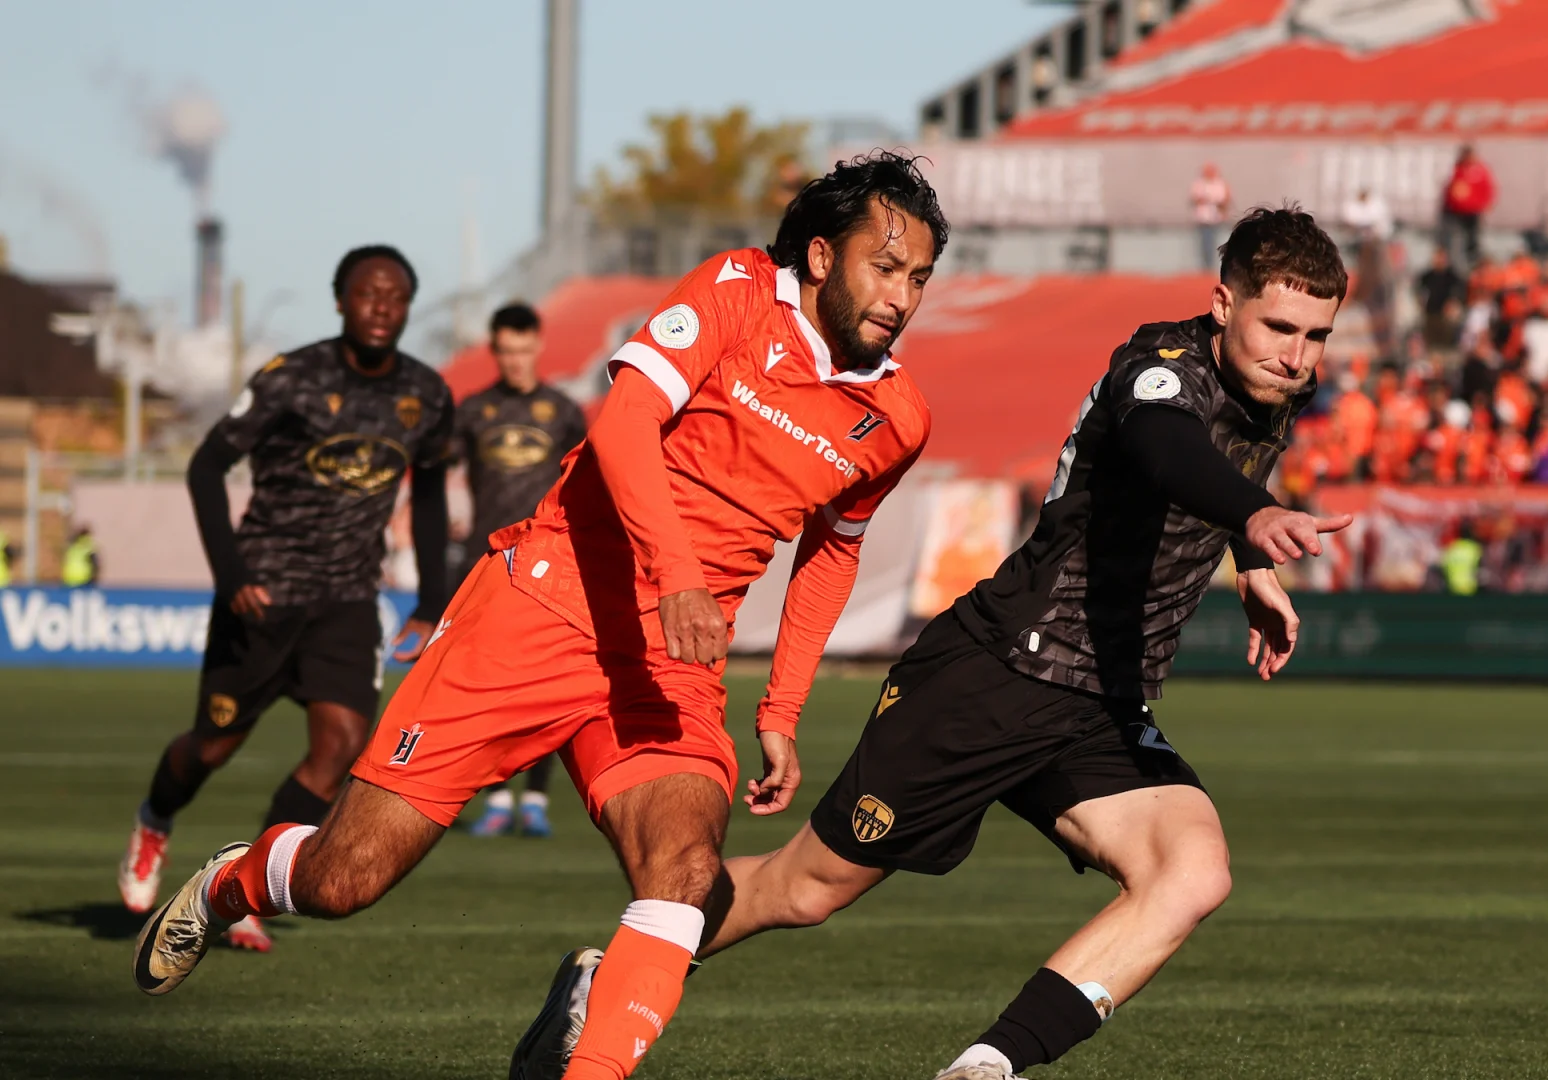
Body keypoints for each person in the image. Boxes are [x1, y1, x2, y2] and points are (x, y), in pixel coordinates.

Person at [131, 154, 947, 1080]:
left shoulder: (899, 417)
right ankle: (236, 878)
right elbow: (624, 421)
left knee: (684, 876)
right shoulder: (734, 289)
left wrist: (781, 709)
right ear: (818, 256)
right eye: (885, 267)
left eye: (918, 277)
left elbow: (831, 555)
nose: (902, 295)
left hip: (667, 663)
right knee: (342, 879)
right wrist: (677, 573)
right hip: (541, 603)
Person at [521, 205, 1354, 1080]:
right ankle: (607, 981)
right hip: (994, 676)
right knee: (805, 890)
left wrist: (1249, 561)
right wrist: (1254, 515)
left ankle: (984, 1069)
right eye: (1281, 328)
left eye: (1317, 337)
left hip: (1101, 702)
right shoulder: (1161, 368)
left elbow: (1202, 475)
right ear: (1223, 303)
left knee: (1193, 871)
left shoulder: (1268, 386)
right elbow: (1163, 445)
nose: (1298, 356)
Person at [115, 245, 452, 952]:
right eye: (367, 294)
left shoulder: (427, 393)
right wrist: (233, 574)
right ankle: (154, 818)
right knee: (210, 747)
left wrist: (430, 599)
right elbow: (208, 466)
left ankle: (242, 889)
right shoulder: (291, 377)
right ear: (339, 300)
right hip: (262, 597)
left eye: (395, 297)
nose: (382, 308)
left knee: (341, 747)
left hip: (349, 600)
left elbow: (427, 497)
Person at [454, 302, 588, 838]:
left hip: (548, 563)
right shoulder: (473, 410)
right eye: (504, 350)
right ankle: (492, 799)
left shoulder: (563, 412)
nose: (514, 360)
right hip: (483, 559)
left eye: (522, 349)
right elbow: (442, 473)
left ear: (538, 347)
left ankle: (533, 800)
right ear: (494, 350)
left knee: (544, 684)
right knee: (485, 684)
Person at [1440, 145, 1496, 264]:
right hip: (1456, 212)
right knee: (1457, 240)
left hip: (1474, 211)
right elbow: (1451, 189)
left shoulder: (1480, 170)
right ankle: (1458, 264)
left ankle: (1474, 262)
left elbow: (1488, 188)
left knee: (1473, 240)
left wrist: (1487, 203)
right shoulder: (1457, 169)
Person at [1190, 162, 1231, 270]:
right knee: (1204, 244)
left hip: (1217, 219)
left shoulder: (1220, 184)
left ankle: (1219, 266)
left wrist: (1215, 201)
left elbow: (1226, 200)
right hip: (1203, 220)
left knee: (1219, 244)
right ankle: (1206, 267)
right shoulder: (1199, 184)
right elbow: (1195, 199)